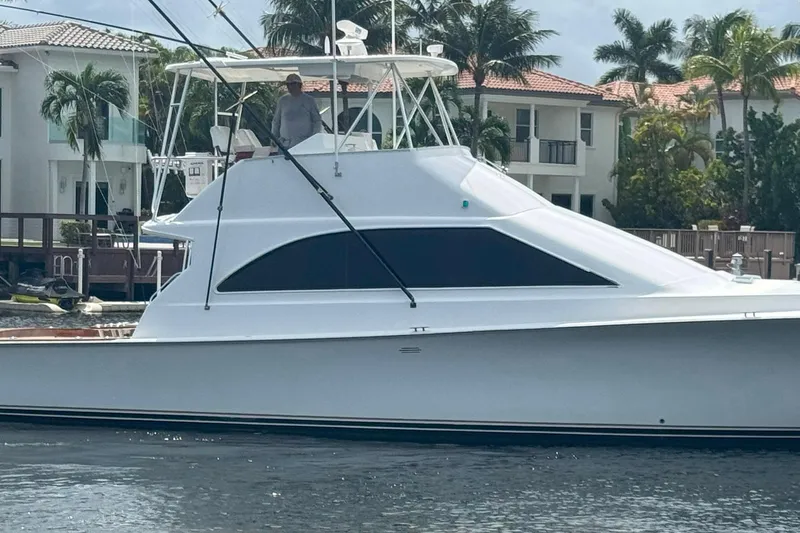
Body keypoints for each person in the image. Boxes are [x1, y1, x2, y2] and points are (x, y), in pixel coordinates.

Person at [271, 73, 322, 149]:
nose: (290, 86)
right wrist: (274, 138)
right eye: (288, 84)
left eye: (293, 84)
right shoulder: (282, 100)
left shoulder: (309, 100)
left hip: (304, 144)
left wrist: (313, 139)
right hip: (285, 145)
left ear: (299, 85)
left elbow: (317, 121)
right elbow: (276, 121)